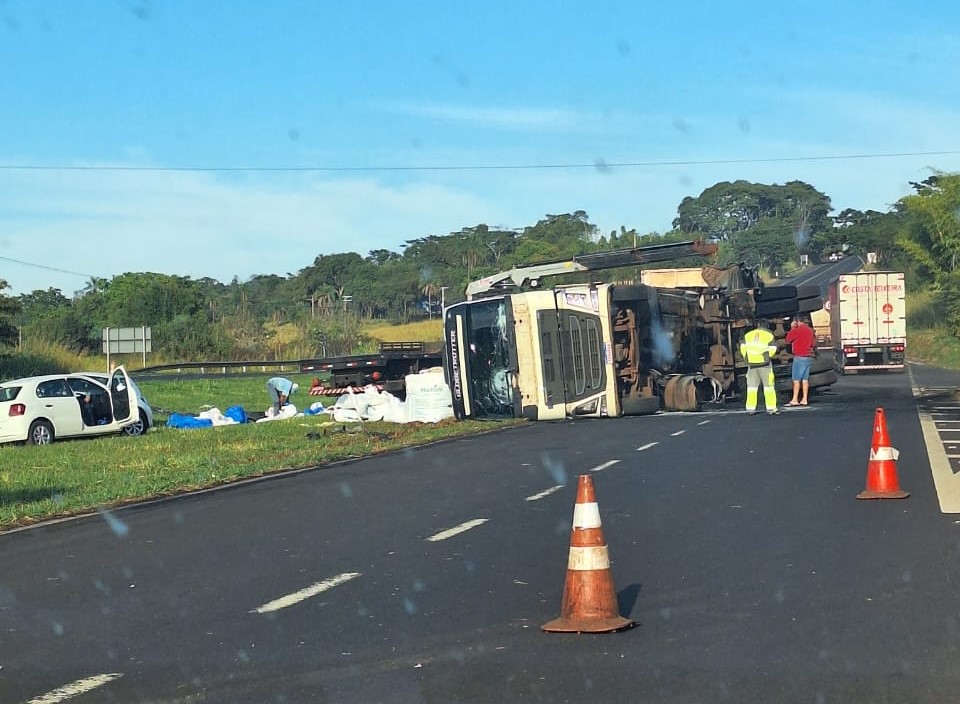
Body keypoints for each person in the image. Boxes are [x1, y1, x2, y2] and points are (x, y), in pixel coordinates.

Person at [739, 319, 779, 415]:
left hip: (752, 365)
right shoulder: (769, 335)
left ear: (757, 325)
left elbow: (743, 348)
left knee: (751, 388)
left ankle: (750, 409)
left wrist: (748, 358)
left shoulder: (748, 335)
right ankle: (771, 408)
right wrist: (767, 356)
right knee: (769, 387)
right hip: (765, 365)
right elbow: (773, 349)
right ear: (766, 326)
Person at [785, 316, 817, 406]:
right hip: (808, 357)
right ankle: (804, 399)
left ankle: (795, 399)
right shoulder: (810, 330)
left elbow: (788, 340)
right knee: (805, 379)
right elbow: (813, 343)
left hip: (799, 357)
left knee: (796, 379)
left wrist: (792, 328)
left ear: (797, 321)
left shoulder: (796, 330)